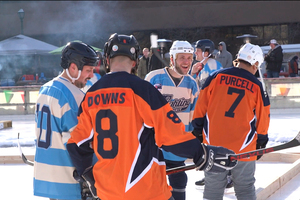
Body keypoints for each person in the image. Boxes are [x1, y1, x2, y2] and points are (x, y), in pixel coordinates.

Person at [66, 33, 237, 200]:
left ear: (108, 60)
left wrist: (89, 175)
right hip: (146, 189)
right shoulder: (142, 90)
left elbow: (76, 144)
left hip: (107, 191)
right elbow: (170, 135)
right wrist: (203, 154)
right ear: (135, 61)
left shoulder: (91, 95)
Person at [192, 43, 270, 200]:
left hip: (214, 145)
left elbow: (200, 107)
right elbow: (264, 117)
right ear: (255, 63)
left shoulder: (215, 77)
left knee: (213, 188)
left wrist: (198, 132)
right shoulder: (257, 86)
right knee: (245, 188)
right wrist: (261, 142)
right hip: (244, 148)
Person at [33, 41, 99, 200]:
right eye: (88, 70)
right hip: (69, 181)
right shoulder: (74, 96)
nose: (91, 76)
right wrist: (94, 177)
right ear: (73, 67)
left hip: (47, 179)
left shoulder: (45, 89)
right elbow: (78, 143)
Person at [145, 40, 199, 200]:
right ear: (172, 59)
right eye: (182, 57)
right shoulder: (153, 78)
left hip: (178, 149)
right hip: (155, 148)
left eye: (189, 58)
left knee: (180, 183)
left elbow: (193, 118)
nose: (186, 62)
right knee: (154, 189)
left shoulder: (192, 84)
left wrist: (192, 145)